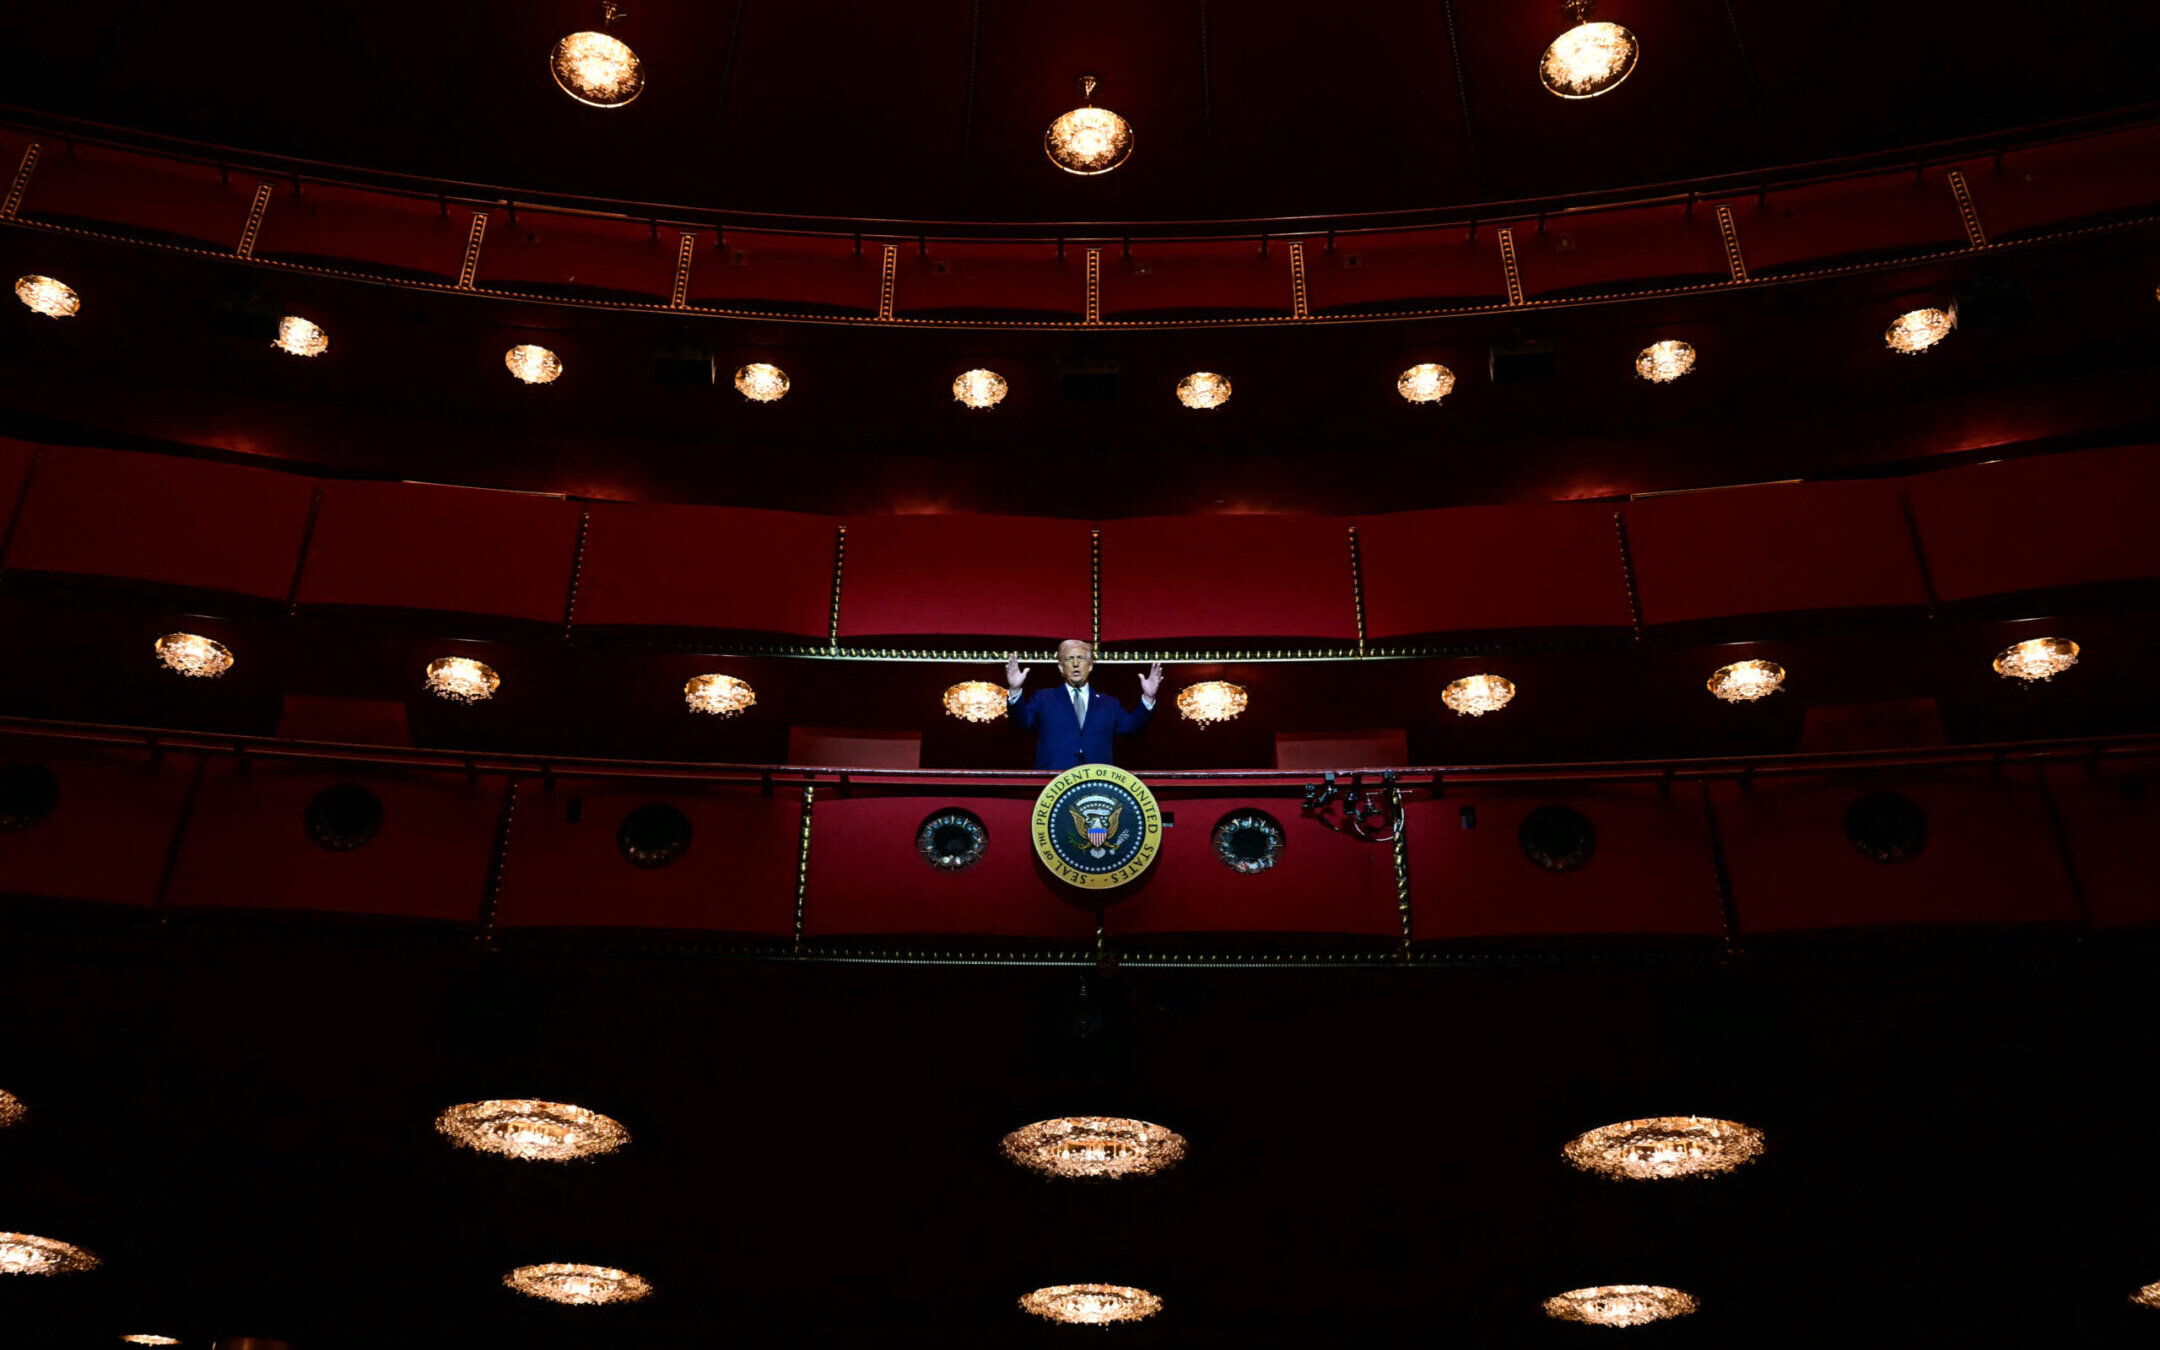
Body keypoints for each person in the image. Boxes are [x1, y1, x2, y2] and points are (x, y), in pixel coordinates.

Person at [1006, 640, 1165, 770]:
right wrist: (1015, 690)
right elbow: (1022, 723)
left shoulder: (1109, 703)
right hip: (1053, 781)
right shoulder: (1043, 698)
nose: (1075, 664)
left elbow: (1131, 728)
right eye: (1069, 659)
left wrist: (1148, 698)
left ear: (1090, 666)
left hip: (1096, 782)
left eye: (1081, 659)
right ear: (1061, 668)